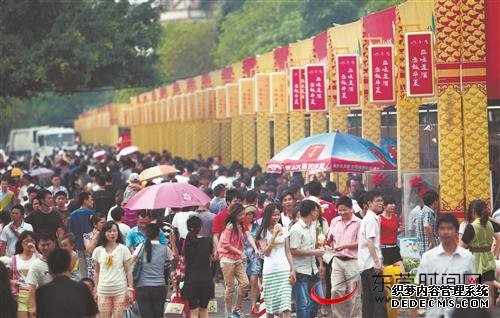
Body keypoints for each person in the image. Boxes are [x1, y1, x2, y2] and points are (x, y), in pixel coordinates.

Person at [416, 214, 475, 318]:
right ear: (437, 231)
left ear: (457, 231)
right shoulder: (428, 257)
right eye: (442, 228)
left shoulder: (467, 257)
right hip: (434, 314)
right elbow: (419, 290)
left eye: (450, 228)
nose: (446, 232)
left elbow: (472, 286)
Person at [256, 203, 295, 318]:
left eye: (278, 215)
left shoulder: (284, 229)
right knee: (270, 306)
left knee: (286, 304)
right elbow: (266, 253)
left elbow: (288, 251)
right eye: (273, 215)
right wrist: (273, 235)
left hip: (284, 269)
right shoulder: (262, 232)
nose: (276, 217)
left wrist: (293, 268)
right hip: (270, 270)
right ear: (268, 216)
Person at [460, 199, 500, 308]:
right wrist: (495, 255)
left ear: (473, 211)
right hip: (488, 263)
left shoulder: (471, 227)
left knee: (473, 294)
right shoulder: (490, 224)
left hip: (474, 264)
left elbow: (462, 247)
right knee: (488, 294)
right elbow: (498, 236)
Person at [35, 248, 98, 317]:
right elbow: (92, 315)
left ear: (49, 269)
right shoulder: (82, 288)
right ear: (69, 266)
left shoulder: (42, 292)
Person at [289, 199, 325, 318]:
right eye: (316, 211)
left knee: (315, 301)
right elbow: (293, 250)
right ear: (310, 212)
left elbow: (315, 246)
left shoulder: (313, 226)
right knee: (303, 304)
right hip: (300, 271)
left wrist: (320, 263)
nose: (317, 213)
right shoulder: (296, 229)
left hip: (312, 269)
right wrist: (314, 252)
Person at [327, 196, 361, 318]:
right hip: (337, 260)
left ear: (351, 209)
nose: (342, 212)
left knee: (354, 294)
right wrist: (329, 243)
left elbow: (361, 242)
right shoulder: (335, 221)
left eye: (344, 210)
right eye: (339, 210)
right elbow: (330, 238)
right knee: (335, 290)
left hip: (353, 261)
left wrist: (345, 246)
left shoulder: (358, 222)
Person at [92, 221, 133, 318]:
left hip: (120, 291)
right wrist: (96, 289)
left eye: (114, 231)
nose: (112, 234)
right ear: (104, 233)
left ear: (118, 232)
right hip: (103, 291)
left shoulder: (123, 249)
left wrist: (130, 289)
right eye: (109, 231)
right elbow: (96, 272)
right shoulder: (98, 251)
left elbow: (128, 270)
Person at [217, 203, 251, 318]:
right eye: (241, 214)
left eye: (243, 214)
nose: (243, 217)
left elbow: (240, 242)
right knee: (230, 287)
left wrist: (240, 252)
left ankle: (236, 308)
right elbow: (225, 244)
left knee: (245, 283)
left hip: (236, 259)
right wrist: (240, 252)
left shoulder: (239, 226)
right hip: (227, 259)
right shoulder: (230, 226)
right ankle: (228, 312)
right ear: (235, 214)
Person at [357, 190, 387, 318]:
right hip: (371, 265)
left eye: (381, 200)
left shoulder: (370, 218)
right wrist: (377, 262)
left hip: (366, 265)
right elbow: (370, 241)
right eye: (378, 201)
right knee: (379, 299)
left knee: (369, 300)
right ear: (369, 203)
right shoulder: (371, 219)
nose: (381, 203)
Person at [181, 216, 214, 318]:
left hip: (191, 280)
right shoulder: (208, 241)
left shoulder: (187, 242)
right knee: (204, 310)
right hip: (206, 279)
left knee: (193, 311)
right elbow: (210, 260)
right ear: (200, 227)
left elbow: (182, 258)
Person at [133, 223, 169, 318]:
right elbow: (175, 259)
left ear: (146, 234)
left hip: (142, 287)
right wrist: (172, 241)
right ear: (158, 234)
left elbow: (131, 262)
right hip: (159, 287)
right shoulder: (165, 248)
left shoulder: (140, 246)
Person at [26, 232, 56, 316]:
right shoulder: (35, 265)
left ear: (54, 243)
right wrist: (32, 307)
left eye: (48, 244)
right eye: (43, 245)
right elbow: (32, 288)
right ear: (38, 246)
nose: (46, 247)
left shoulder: (61, 260)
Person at [10, 231, 37, 318]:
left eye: (32, 241)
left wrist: (35, 251)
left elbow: (46, 264)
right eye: (26, 241)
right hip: (20, 294)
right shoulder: (14, 258)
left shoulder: (37, 257)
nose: (29, 243)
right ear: (21, 242)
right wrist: (13, 281)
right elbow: (7, 277)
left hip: (35, 294)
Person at [69, 191, 95, 278]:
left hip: (78, 246)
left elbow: (71, 232)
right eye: (91, 199)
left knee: (82, 271)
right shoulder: (92, 213)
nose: (92, 201)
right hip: (91, 246)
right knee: (91, 270)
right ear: (85, 200)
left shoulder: (72, 215)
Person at [243, 205, 262, 314]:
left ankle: (253, 304)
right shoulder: (240, 227)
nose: (250, 216)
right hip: (243, 257)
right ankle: (238, 306)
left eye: (251, 214)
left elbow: (260, 240)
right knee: (243, 283)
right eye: (247, 214)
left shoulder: (257, 227)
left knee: (254, 280)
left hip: (255, 256)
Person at [380, 195, 404, 271]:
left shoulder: (395, 217)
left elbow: (393, 232)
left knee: (401, 273)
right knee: (386, 276)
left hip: (394, 249)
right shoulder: (379, 218)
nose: (393, 205)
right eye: (390, 203)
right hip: (383, 249)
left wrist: (399, 231)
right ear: (384, 206)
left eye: (394, 203)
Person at [83, 213, 106, 279]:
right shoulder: (87, 236)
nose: (105, 225)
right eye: (102, 223)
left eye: (105, 222)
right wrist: (95, 237)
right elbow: (89, 251)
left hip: (105, 266)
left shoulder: (107, 235)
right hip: (93, 268)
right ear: (95, 224)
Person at [416, 190, 439, 255]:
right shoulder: (428, 212)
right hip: (429, 247)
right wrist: (432, 242)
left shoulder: (422, 211)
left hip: (423, 247)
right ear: (435, 202)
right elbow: (426, 225)